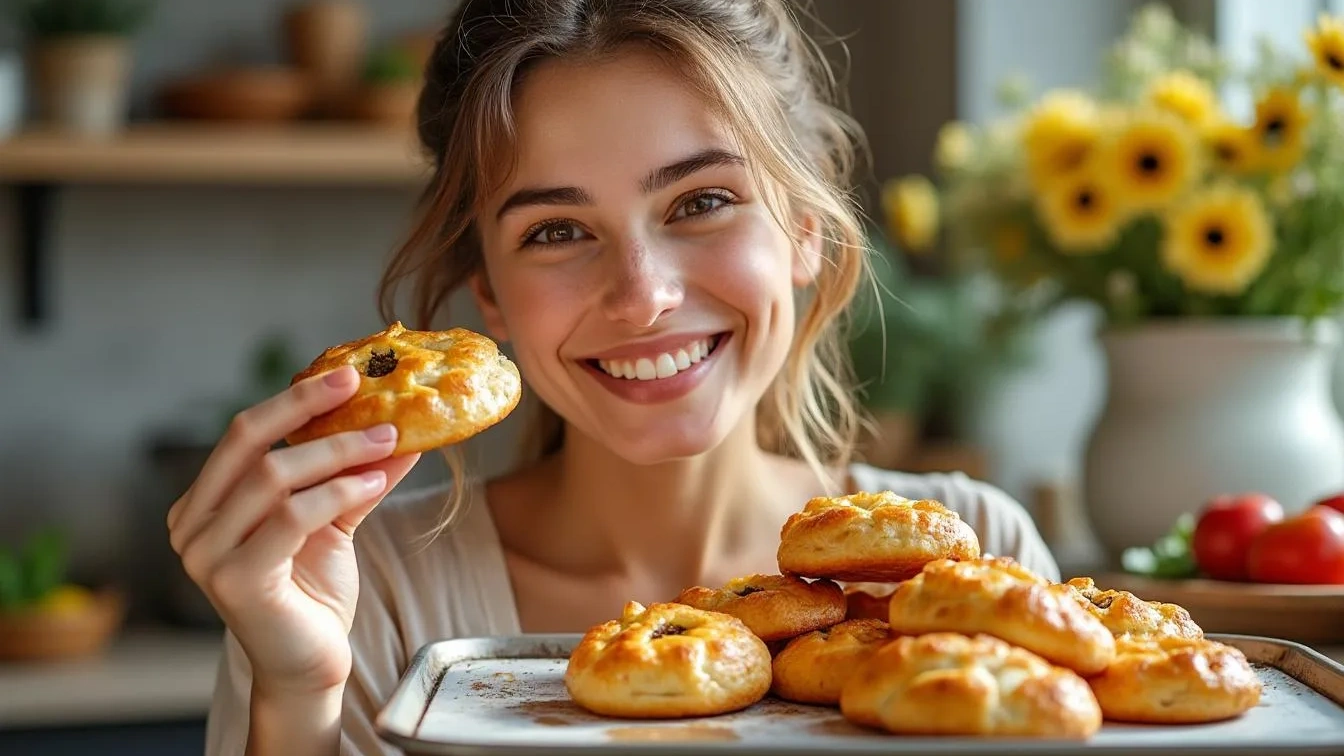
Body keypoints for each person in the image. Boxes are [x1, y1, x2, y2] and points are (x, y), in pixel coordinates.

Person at [168, 1, 1060, 754]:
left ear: (802, 228)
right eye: (555, 231)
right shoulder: (361, 592)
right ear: (491, 297)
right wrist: (296, 694)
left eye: (701, 202)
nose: (643, 298)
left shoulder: (973, 563)